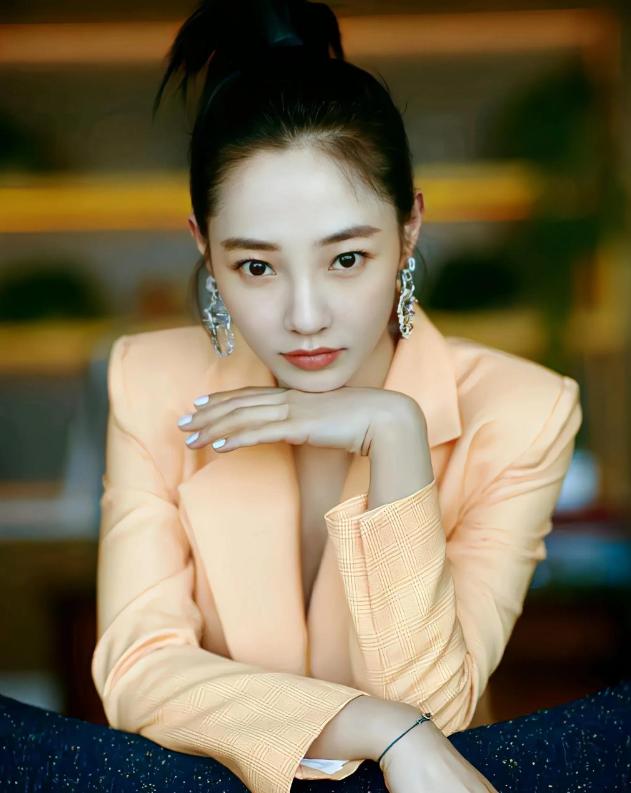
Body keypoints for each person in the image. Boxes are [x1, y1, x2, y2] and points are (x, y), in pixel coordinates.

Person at [3, 1, 630, 792]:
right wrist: (381, 727)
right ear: (203, 246)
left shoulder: (523, 412)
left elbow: (435, 704)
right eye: (256, 266)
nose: (304, 316)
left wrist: (394, 433)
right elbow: (138, 669)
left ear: (408, 228)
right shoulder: (151, 380)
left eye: (346, 259)